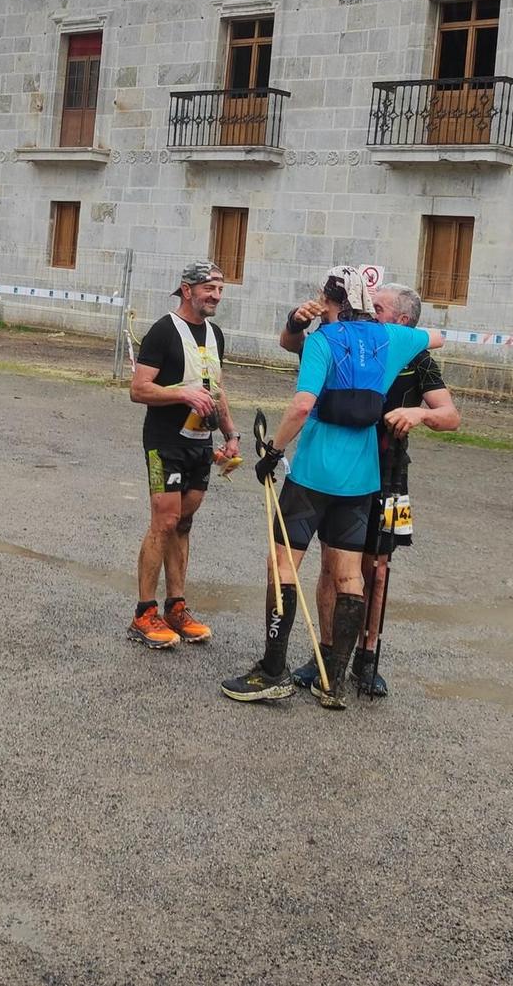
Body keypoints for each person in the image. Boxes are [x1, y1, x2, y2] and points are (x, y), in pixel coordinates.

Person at [222, 265, 456, 709]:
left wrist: (272, 450)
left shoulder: (324, 342)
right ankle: (333, 680)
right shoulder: (397, 340)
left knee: (283, 565)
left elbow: (303, 404)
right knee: (351, 574)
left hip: (313, 473)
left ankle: (273, 671)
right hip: (362, 477)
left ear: (330, 301)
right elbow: (438, 337)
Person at [126, 260, 240, 650]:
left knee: (185, 522)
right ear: (187, 289)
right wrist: (181, 392)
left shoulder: (216, 334)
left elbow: (217, 389)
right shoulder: (162, 330)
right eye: (209, 288)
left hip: (200, 442)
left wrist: (231, 435)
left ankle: (177, 606)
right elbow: (139, 389)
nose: (216, 296)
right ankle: (144, 613)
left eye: (221, 290)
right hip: (165, 442)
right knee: (165, 520)